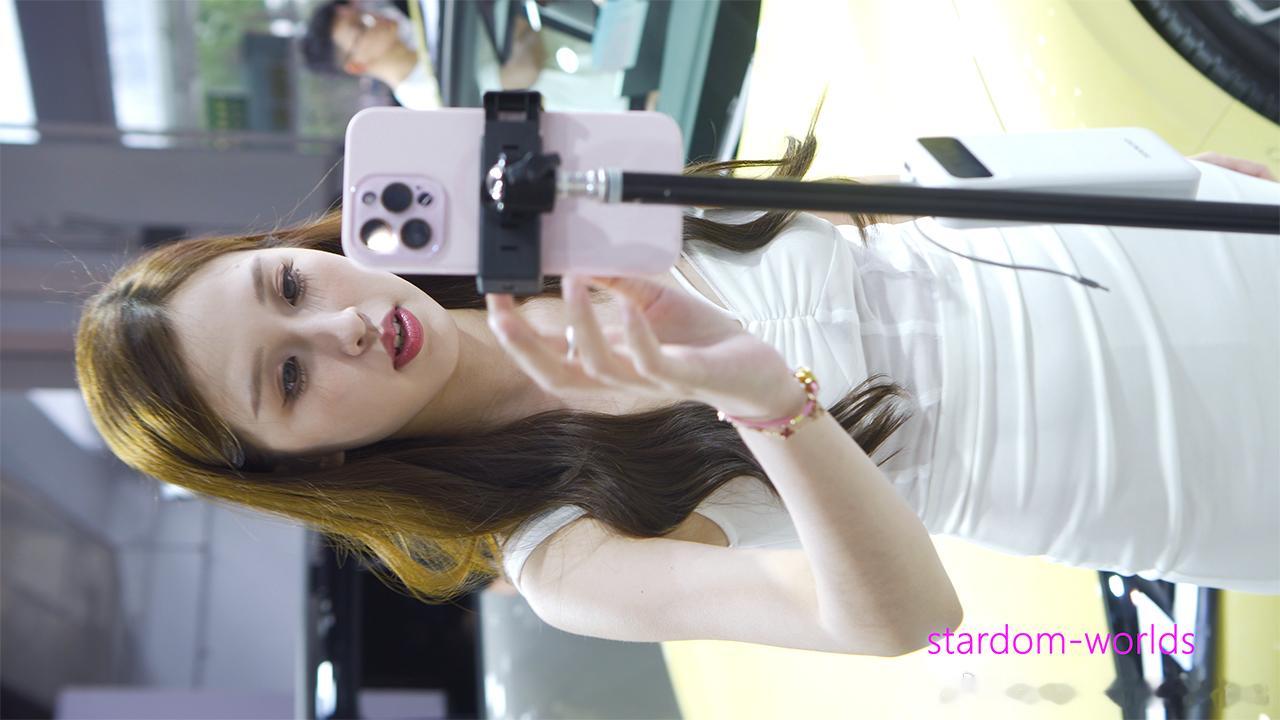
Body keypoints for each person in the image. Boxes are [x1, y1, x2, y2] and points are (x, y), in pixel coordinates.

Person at [74, 106, 1279, 656]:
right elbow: (906, 622)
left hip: (1140, 249)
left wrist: (1142, 177)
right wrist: (766, 405)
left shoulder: (524, 214)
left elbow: (862, 216)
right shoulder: (563, 555)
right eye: (287, 378)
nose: (341, 323)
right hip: (1146, 455)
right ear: (309, 467)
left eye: (289, 284)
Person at [301, 0, 548, 109]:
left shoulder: (419, 31)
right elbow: (523, 72)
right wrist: (515, 21)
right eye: (361, 27)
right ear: (356, 65)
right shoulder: (428, 97)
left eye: (363, 12)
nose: (373, 18)